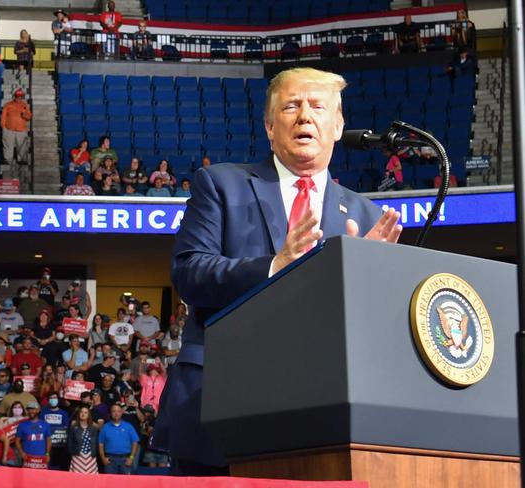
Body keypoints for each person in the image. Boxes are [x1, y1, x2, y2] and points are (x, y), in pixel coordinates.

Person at [153, 67, 402, 474]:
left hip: (324, 414)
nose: (305, 116)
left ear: (338, 126)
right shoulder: (219, 184)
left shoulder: (366, 214)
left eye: (318, 107)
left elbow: (374, 329)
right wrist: (274, 265)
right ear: (270, 126)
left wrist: (367, 277)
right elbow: (189, 272)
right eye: (291, 106)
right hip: (220, 404)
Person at [98, 403, 138, 475]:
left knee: (126, 484)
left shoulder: (129, 426)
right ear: (110, 413)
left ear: (122, 412)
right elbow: (101, 444)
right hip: (110, 459)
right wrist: (103, 458)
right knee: (110, 484)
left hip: (125, 459)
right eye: (114, 411)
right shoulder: (105, 427)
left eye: (118, 411)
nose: (116, 413)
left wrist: (131, 458)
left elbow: (135, 443)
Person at [1, 88, 32, 174]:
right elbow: (3, 117)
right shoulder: (7, 105)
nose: (19, 98)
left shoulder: (25, 105)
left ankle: (21, 159)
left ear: (22, 97)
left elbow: (28, 117)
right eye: (17, 96)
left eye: (20, 96)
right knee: (8, 145)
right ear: (14, 96)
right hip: (8, 129)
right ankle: (7, 159)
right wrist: (3, 127)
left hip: (21, 129)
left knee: (22, 145)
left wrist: (24, 113)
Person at [67, 405, 98, 473]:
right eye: (81, 412)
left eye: (85, 412)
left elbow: (96, 443)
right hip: (77, 457)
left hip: (90, 458)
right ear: (79, 414)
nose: (83, 414)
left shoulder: (94, 428)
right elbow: (69, 443)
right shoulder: (73, 427)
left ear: (88, 415)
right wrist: (73, 454)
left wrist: (93, 453)